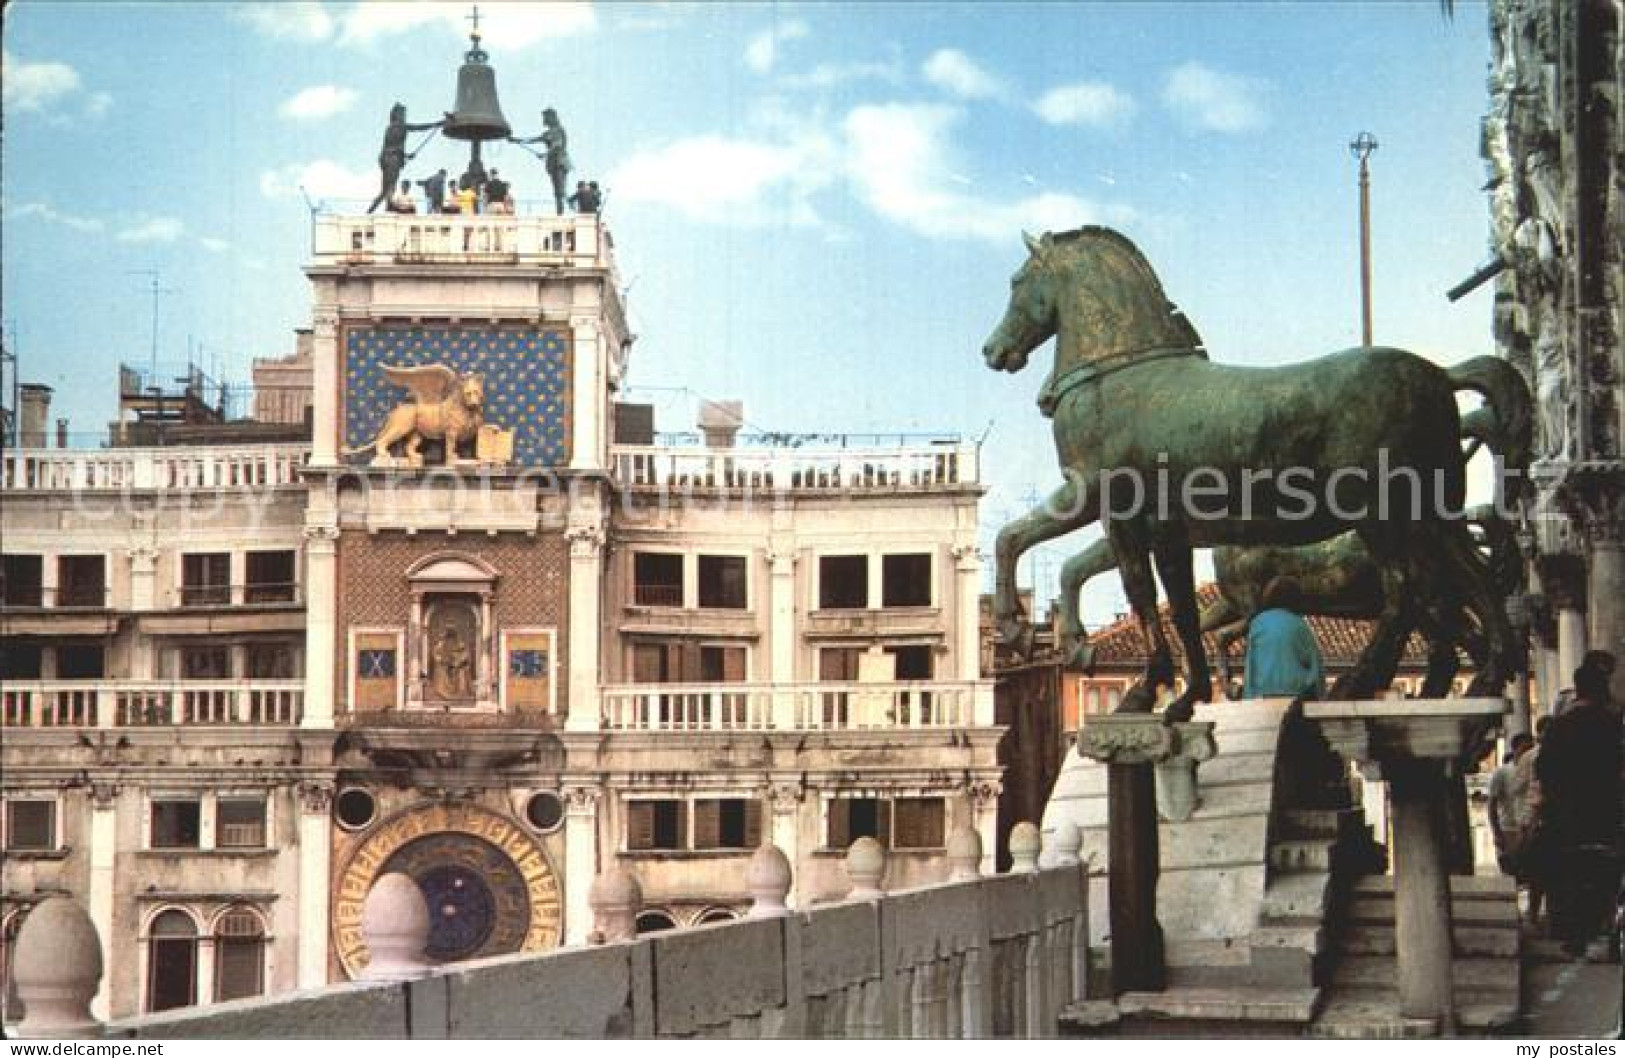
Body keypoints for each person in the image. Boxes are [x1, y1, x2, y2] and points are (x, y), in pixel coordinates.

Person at [1535, 653, 1621, 957]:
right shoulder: (1613, 722)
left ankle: (1574, 934)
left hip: (1567, 815)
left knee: (1569, 871)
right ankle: (1604, 926)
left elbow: (1543, 769)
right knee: (1604, 870)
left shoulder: (1560, 726)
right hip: (1606, 811)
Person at [1241, 576, 1325, 700]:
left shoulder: (1257, 624)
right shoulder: (1300, 625)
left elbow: (1250, 668)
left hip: (1264, 696)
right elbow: (1315, 667)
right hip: (1296, 696)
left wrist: (1248, 698)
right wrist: (1318, 697)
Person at [368, 103, 442, 214]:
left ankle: (370, 211)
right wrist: (438, 124)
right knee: (390, 187)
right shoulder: (401, 126)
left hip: (386, 158)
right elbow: (419, 128)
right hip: (393, 159)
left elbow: (391, 145)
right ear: (398, 115)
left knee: (384, 190)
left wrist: (406, 155)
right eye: (403, 114)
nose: (404, 116)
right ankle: (387, 208)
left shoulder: (390, 128)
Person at [1488, 733, 1535, 875]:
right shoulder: (1502, 773)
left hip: (1529, 827)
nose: (1527, 753)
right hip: (1508, 829)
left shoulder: (1534, 770)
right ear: (1515, 749)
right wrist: (1496, 833)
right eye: (1524, 748)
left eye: (1530, 749)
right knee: (1511, 872)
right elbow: (1492, 805)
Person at [514, 107, 571, 214]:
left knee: (560, 189)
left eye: (545, 117)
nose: (543, 120)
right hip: (553, 162)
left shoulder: (559, 130)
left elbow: (557, 145)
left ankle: (561, 211)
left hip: (560, 162)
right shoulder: (547, 133)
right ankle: (560, 211)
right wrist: (517, 140)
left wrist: (545, 154)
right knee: (557, 190)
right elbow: (533, 139)